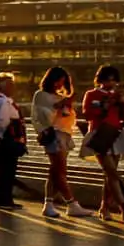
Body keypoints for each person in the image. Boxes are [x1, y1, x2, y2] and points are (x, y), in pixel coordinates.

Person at [31, 67, 91, 218]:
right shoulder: (41, 95)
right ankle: (71, 203)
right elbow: (43, 118)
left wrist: (66, 106)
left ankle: (49, 204)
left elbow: (67, 119)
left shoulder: (58, 97)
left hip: (64, 135)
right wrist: (58, 106)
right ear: (51, 79)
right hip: (54, 135)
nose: (59, 85)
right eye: (58, 81)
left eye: (62, 82)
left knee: (55, 171)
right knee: (60, 171)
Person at [80, 65, 124, 222]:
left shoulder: (117, 95)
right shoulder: (91, 94)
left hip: (115, 133)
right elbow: (87, 113)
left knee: (109, 174)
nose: (111, 82)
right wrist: (104, 105)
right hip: (99, 134)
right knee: (111, 171)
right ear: (101, 79)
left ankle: (105, 207)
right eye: (108, 79)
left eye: (114, 79)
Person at [0, 72, 27, 211]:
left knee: (5, 171)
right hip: (6, 141)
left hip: (3, 140)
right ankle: (4, 199)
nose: (13, 87)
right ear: (2, 87)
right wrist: (14, 125)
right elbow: (2, 121)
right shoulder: (2, 102)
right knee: (7, 171)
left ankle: (5, 198)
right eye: (10, 84)